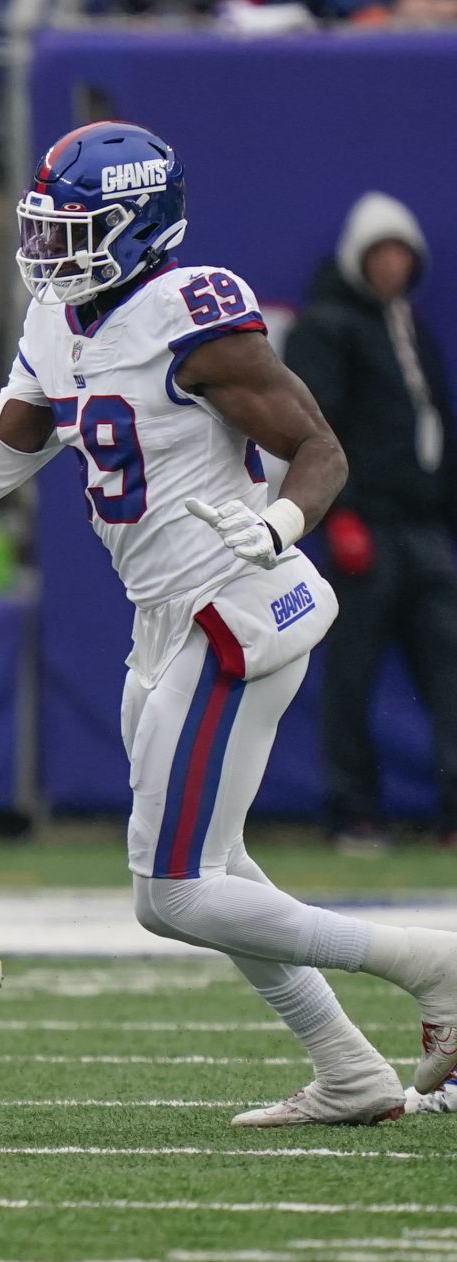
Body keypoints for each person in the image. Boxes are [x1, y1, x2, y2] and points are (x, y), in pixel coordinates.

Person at [0, 121, 457, 1125]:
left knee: (174, 893)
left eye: (78, 230)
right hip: (161, 622)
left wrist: (278, 520)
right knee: (222, 872)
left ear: (142, 225)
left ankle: (433, 961)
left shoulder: (190, 314)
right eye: (46, 229)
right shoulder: (59, 323)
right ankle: (351, 1069)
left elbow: (318, 445)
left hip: (232, 608)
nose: (52, 252)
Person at [282, 192, 457, 852]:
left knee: (448, 671)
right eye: (380, 253)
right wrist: (340, 514)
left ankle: (452, 811)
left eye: (402, 254)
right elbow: (312, 428)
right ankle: (352, 811)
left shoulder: (413, 329)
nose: (392, 266)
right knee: (351, 675)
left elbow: (438, 430)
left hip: (424, 531)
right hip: (367, 529)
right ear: (359, 258)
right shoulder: (328, 327)